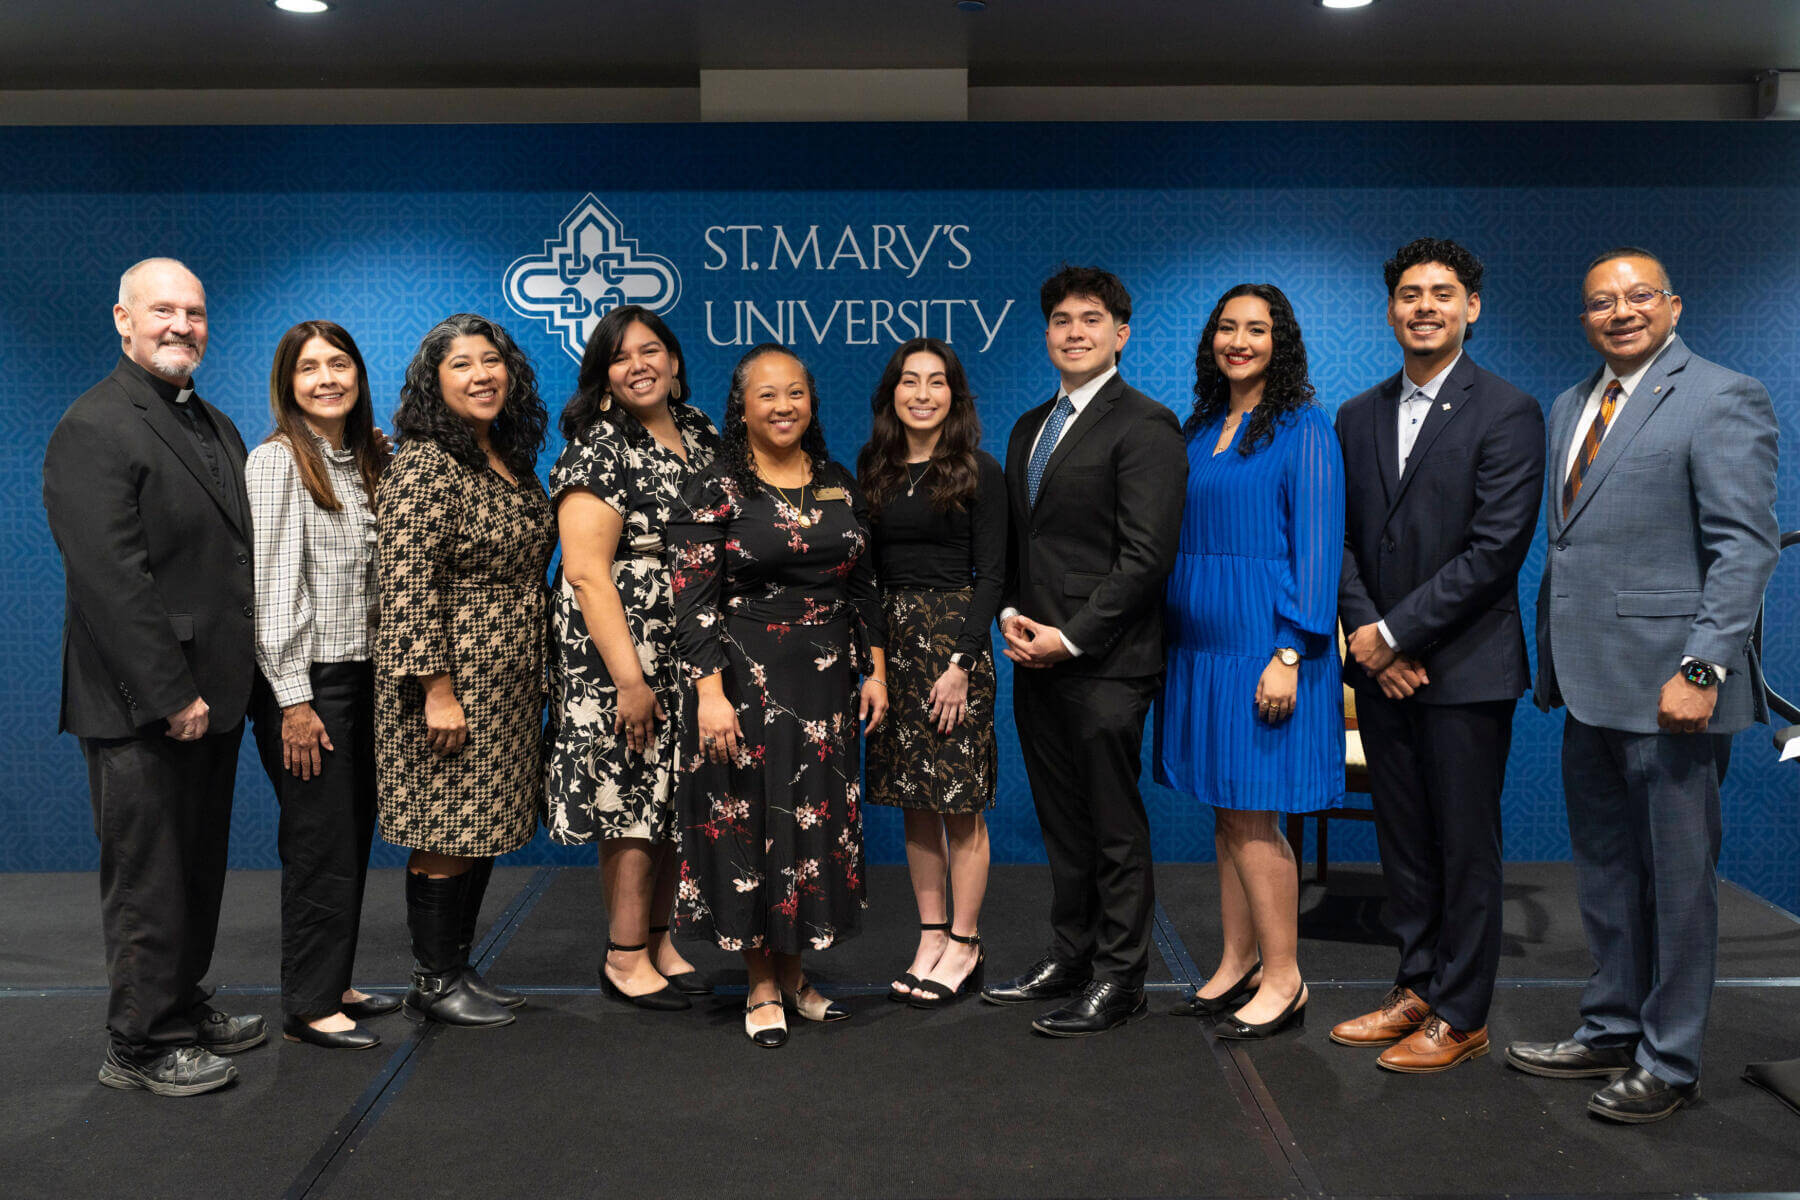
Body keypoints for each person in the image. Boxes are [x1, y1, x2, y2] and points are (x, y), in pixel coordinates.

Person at [1505, 248, 1780, 1123]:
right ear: (1583, 318)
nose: (1619, 312)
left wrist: (1702, 668)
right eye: (1600, 302)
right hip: (1587, 683)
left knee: (1680, 881)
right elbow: (1576, 545)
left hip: (1675, 690)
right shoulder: (1567, 406)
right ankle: (1613, 1027)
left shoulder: (1722, 395)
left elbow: (1745, 547)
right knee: (1607, 874)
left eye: (1637, 297)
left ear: (1673, 305)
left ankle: (1671, 1060)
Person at [43, 257, 264, 1096]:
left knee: (196, 864)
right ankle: (139, 1044)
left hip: (214, 695)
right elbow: (110, 580)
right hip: (146, 703)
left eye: (195, 312)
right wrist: (171, 693)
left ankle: (181, 999)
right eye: (163, 310)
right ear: (122, 320)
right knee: (148, 874)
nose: (182, 325)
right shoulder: (94, 424)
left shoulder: (208, 419)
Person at [1332, 240, 1545, 1071]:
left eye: (1443, 294)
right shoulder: (1355, 415)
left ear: (1471, 309)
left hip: (1465, 670)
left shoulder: (1507, 410)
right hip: (1381, 670)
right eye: (1411, 294)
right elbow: (1341, 542)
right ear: (1391, 310)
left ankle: (1462, 1013)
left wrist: (1395, 635)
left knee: (1464, 846)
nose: (1425, 306)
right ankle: (1416, 986)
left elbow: (1495, 551)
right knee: (1405, 844)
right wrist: (1369, 640)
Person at [980, 265, 1187, 1037]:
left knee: (1112, 825)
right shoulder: (1030, 424)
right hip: (1037, 659)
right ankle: (1069, 955)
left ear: (1121, 334)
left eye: (1091, 319)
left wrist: (1070, 636)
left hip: (1107, 663)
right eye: (1061, 319)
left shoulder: (1146, 425)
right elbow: (1025, 543)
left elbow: (1147, 556)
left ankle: (1120, 977)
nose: (1074, 331)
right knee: (1062, 821)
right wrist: (1012, 617)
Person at [667, 343, 888, 1047]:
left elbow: (863, 584)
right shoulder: (715, 486)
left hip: (824, 692)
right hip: (741, 684)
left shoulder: (835, 480)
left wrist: (876, 671)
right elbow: (692, 601)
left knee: (809, 827)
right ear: (742, 406)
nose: (783, 406)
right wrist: (708, 694)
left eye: (794, 392)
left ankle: (794, 975)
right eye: (766, 394)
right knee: (752, 826)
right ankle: (760, 984)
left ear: (811, 401)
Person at [1154, 283, 1345, 1041]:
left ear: (1280, 341)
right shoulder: (1200, 429)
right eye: (1227, 328)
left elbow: (1321, 549)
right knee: (1229, 813)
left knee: (1257, 817)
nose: (1239, 340)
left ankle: (1286, 977)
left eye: (1256, 329)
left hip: (1268, 648)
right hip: (1200, 649)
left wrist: (1291, 651)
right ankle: (1237, 962)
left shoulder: (1305, 428)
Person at [376, 312, 555, 1029]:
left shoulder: (503, 455)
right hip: (449, 686)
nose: (482, 375)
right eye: (462, 365)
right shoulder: (424, 463)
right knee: (445, 829)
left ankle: (456, 967)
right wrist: (437, 691)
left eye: (492, 361)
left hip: (506, 682)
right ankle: (432, 977)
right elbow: (406, 585)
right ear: (433, 381)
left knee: (478, 828)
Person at [546, 305, 721, 1010]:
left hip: (692, 637)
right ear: (604, 376)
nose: (639, 364)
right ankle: (623, 955)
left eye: (652, 351)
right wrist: (629, 679)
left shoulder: (704, 431)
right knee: (629, 794)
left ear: (675, 364)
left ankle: (659, 939)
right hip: (623, 644)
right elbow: (586, 571)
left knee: (673, 793)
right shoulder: (599, 446)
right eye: (621, 357)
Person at [245, 320, 398, 1051]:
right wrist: (293, 699)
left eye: (340, 363)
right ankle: (309, 1004)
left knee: (349, 834)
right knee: (318, 842)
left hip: (367, 673)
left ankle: (333, 979)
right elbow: (272, 588)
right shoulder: (278, 462)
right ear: (289, 384)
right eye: (310, 369)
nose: (327, 378)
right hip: (313, 681)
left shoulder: (364, 460)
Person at [857, 337, 1006, 1008]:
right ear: (892, 393)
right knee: (916, 803)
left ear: (955, 393)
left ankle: (967, 943)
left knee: (960, 805)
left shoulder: (979, 468)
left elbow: (996, 575)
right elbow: (868, 576)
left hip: (954, 645)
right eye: (910, 381)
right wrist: (876, 664)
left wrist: (961, 664)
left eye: (936, 381)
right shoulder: (875, 467)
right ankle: (931, 936)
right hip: (895, 646)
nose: (922, 393)